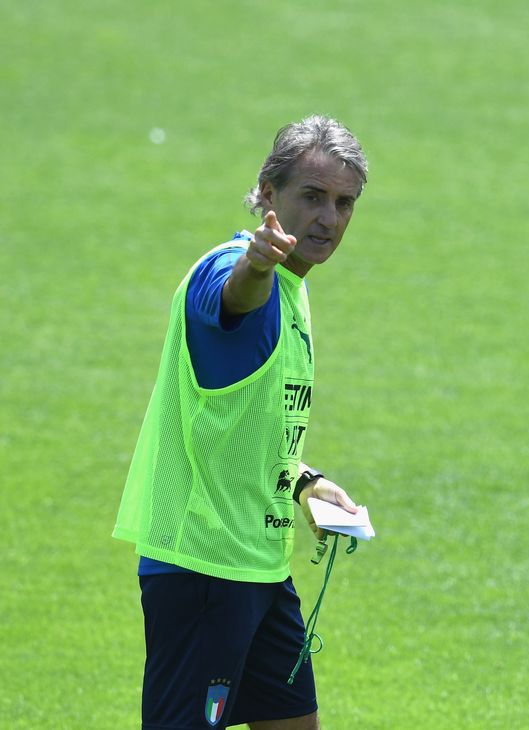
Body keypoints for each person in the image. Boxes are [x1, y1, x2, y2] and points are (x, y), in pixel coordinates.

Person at [113, 115, 369, 729]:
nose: (328, 219)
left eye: (344, 203)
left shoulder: (294, 289)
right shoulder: (233, 272)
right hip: (202, 572)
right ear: (268, 191)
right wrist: (255, 267)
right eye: (312, 197)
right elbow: (231, 302)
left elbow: (243, 424)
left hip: (259, 566)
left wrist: (305, 482)